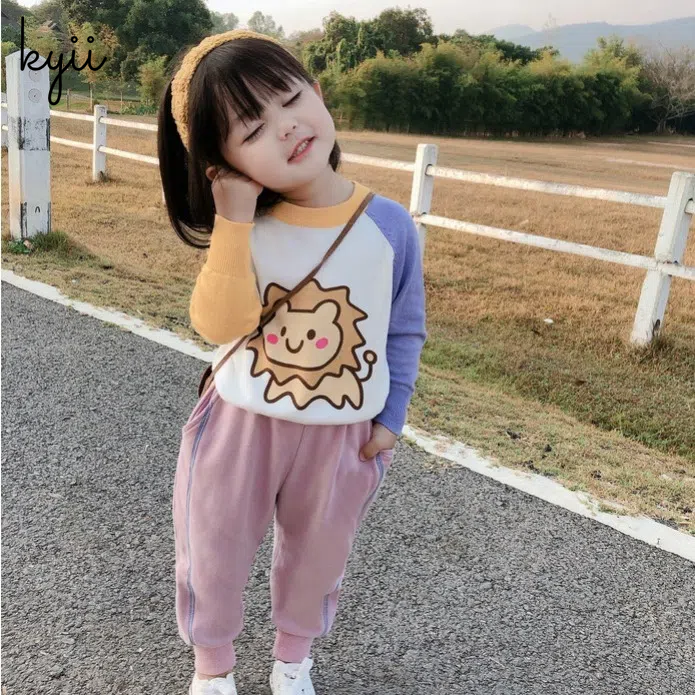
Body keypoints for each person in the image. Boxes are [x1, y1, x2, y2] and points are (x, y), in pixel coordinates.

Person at [157, 29, 427, 695]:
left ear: (318, 92)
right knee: (213, 549)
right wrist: (233, 219)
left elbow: (404, 327)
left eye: (289, 99)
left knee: (318, 560)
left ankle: (292, 661)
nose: (285, 128)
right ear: (223, 163)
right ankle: (213, 668)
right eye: (251, 130)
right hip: (240, 423)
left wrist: (390, 417)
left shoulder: (390, 225)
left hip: (341, 434)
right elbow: (217, 323)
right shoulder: (249, 226)